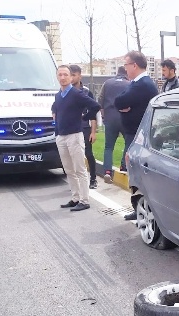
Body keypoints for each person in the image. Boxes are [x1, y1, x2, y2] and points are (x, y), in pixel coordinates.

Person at [114, 51, 158, 221]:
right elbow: (120, 102)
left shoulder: (143, 84)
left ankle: (142, 208)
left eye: (126, 65)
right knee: (135, 174)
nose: (125, 69)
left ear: (134, 65)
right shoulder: (137, 83)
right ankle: (138, 206)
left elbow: (119, 102)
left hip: (139, 136)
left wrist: (125, 106)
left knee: (138, 174)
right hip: (134, 134)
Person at [51, 65, 101, 212]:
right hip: (61, 136)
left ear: (70, 76)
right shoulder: (58, 95)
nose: (62, 77)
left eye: (65, 74)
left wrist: (84, 117)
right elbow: (55, 108)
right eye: (60, 75)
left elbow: (95, 106)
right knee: (69, 170)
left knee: (79, 169)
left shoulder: (76, 94)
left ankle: (85, 200)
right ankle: (75, 198)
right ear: (57, 76)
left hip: (74, 136)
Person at [68, 65, 101, 190]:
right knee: (73, 156)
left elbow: (93, 112)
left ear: (79, 76)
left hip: (85, 127)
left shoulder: (87, 92)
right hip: (71, 128)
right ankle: (75, 181)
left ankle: (93, 179)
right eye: (70, 75)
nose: (71, 78)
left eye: (73, 75)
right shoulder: (66, 92)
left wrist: (93, 132)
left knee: (88, 154)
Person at [97, 66, 130, 184]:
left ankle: (107, 172)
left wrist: (104, 116)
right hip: (124, 119)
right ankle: (123, 166)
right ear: (126, 73)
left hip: (110, 118)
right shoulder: (129, 83)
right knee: (128, 143)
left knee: (108, 147)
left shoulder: (107, 83)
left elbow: (100, 101)